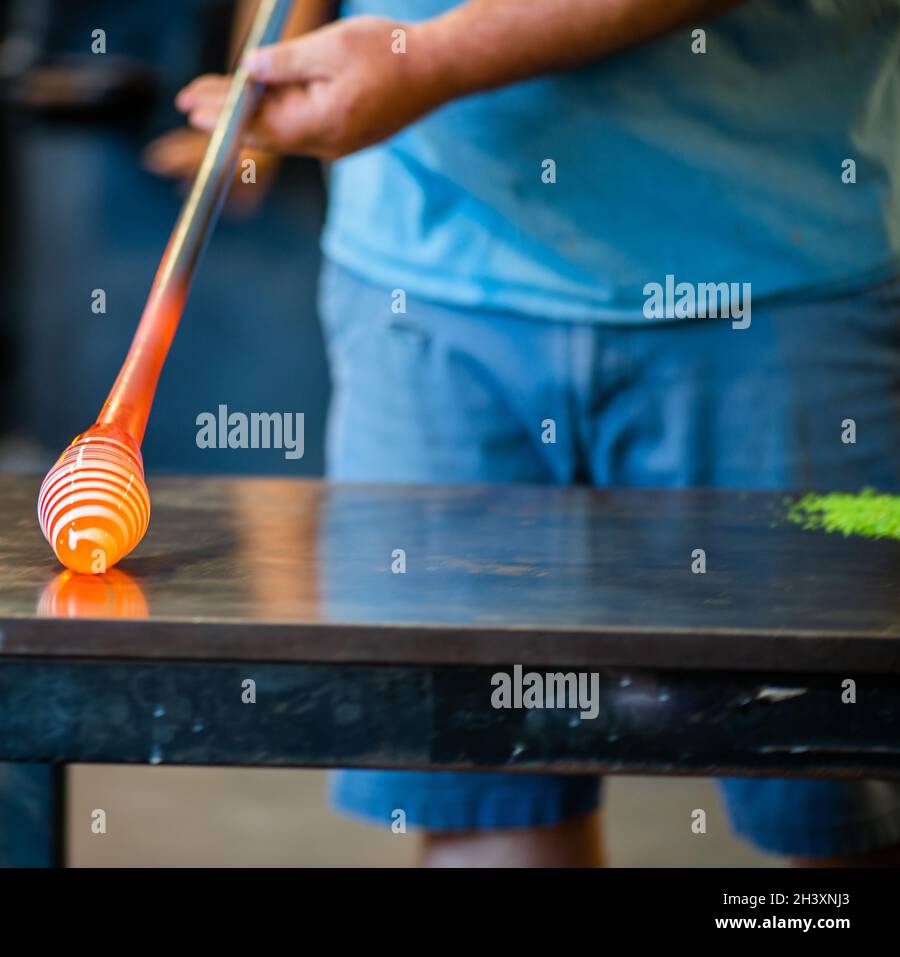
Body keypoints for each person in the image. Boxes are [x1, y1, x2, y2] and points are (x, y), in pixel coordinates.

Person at [163, 0, 900, 866]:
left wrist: (430, 62)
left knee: (843, 804)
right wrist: (273, 66)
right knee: (482, 799)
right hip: (420, 289)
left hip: (776, 276)